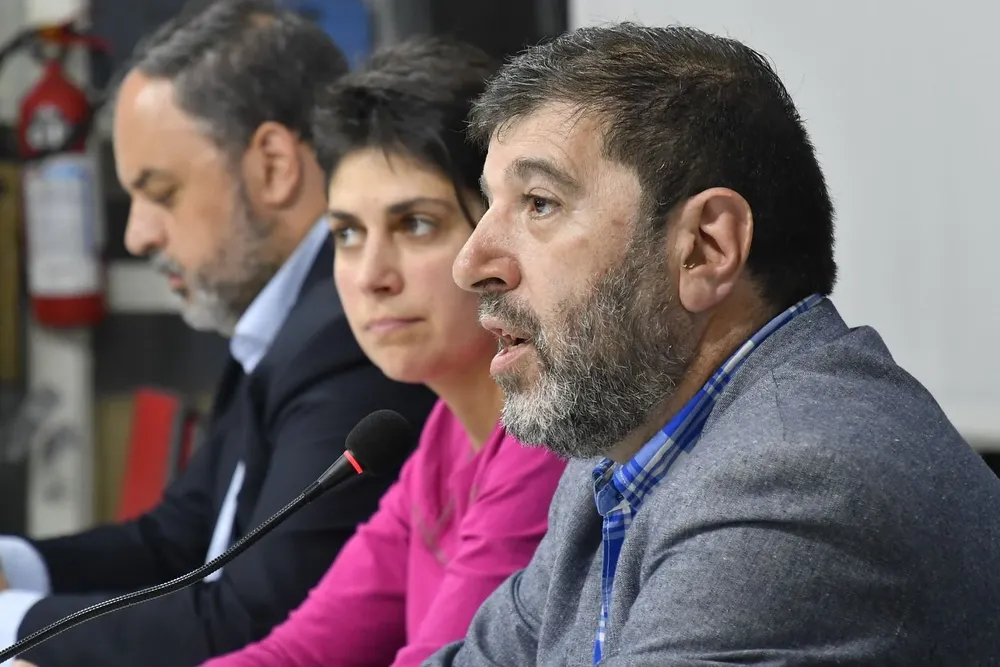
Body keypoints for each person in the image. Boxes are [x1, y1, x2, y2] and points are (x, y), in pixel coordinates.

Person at [425, 22, 1000, 667]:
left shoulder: (795, 482)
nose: (471, 264)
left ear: (705, 248)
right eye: (490, 207)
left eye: (538, 203)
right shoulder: (617, 458)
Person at [0, 2, 437, 666]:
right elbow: (178, 539)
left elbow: (251, 620)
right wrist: (13, 568)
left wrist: (11, 622)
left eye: (162, 191)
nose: (136, 234)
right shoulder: (285, 318)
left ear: (272, 165)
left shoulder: (353, 332)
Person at [200, 38, 567, 667]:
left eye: (415, 224)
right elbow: (299, 653)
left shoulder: (544, 444)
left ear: (499, 238)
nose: (372, 275)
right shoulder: (441, 436)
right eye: (347, 234)